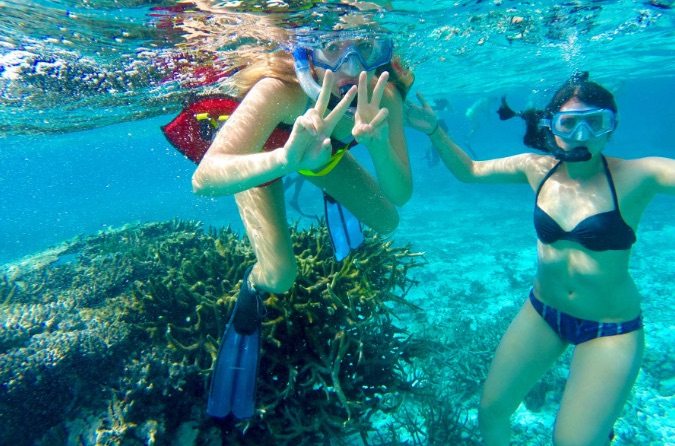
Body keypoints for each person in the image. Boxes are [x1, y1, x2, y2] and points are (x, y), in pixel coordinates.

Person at [405, 71, 675, 445]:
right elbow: (470, 171)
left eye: (595, 122)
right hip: (542, 312)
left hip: (610, 329)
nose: (582, 136)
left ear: (611, 127)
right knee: (491, 412)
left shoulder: (638, 176)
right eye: (569, 123)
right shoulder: (536, 169)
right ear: (552, 127)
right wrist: (435, 129)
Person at [190, 29, 414, 420]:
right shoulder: (278, 91)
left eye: (363, 48)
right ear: (307, 55)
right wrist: (284, 161)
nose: (351, 65)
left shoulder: (384, 98)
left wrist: (378, 147)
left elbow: (399, 194)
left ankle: (329, 185)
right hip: (260, 157)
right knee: (280, 276)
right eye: (333, 48)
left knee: (387, 220)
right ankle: (251, 290)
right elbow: (204, 179)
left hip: (318, 155)